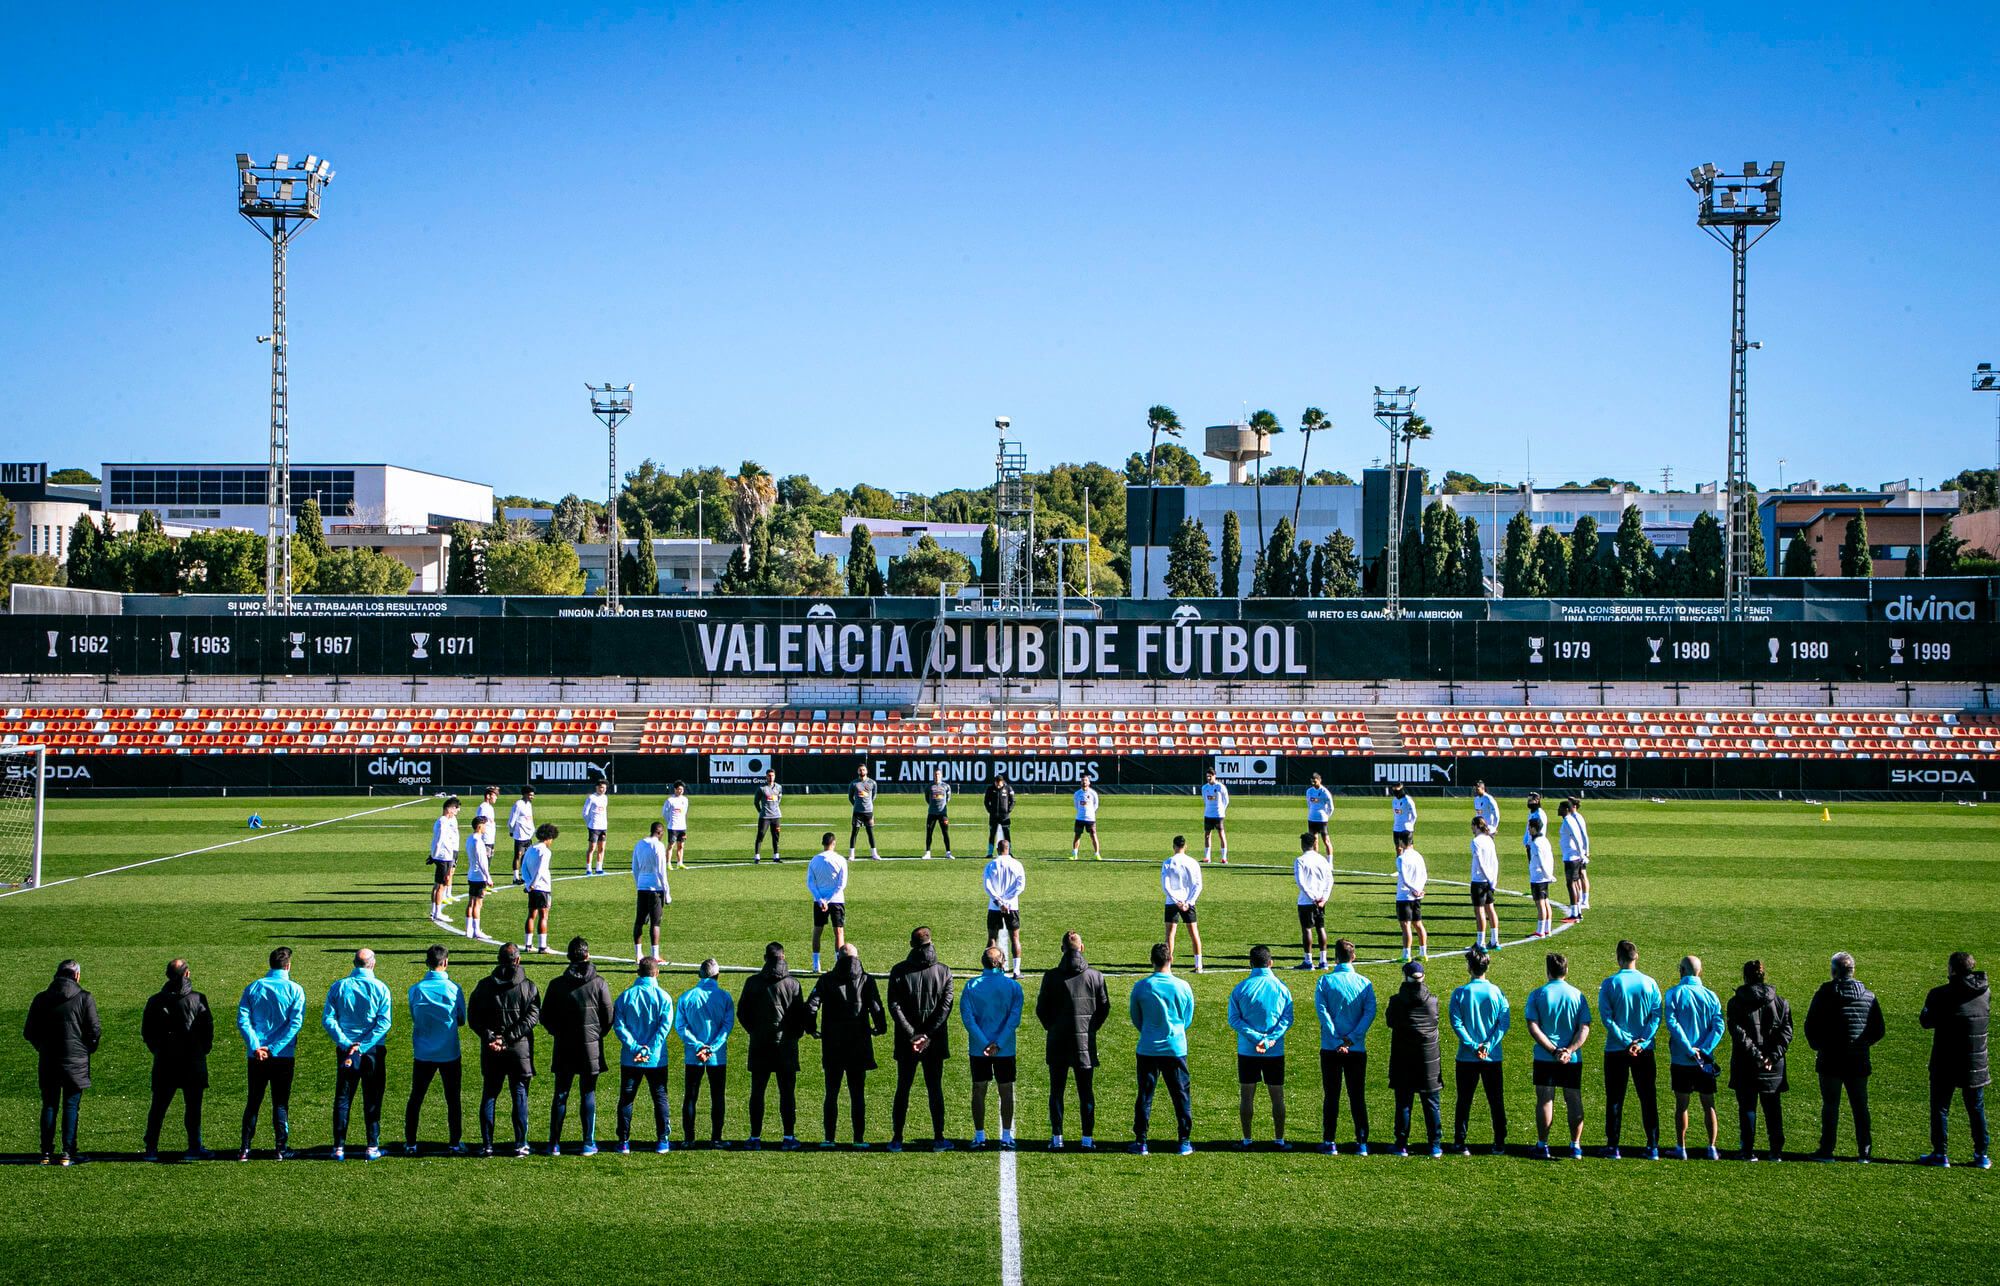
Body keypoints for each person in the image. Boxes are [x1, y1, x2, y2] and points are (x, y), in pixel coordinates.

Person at [1804, 950, 1885, 1162]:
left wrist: (1818, 1045)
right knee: (1860, 1107)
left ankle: (1826, 1150)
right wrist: (1863, 1045)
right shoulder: (1868, 996)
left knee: (1830, 1106)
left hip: (1830, 1059)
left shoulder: (1824, 993)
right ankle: (1864, 1152)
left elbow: (1811, 1025)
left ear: (1834, 971)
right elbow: (1878, 1029)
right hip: (1858, 1060)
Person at [1037, 930, 1110, 1151]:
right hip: (1084, 1043)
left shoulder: (1051, 976)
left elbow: (1041, 1009)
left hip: (1057, 1041)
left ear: (1062, 949)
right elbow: (1104, 1008)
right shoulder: (1095, 976)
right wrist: (1090, 1029)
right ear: (1082, 948)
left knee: (1056, 1092)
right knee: (1086, 1092)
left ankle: (1057, 1138)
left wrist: (1053, 1027)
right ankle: (1087, 1139)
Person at [541, 936, 614, 1156]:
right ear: (587, 955)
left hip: (564, 1045)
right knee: (588, 1092)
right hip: (590, 1046)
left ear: (568, 957)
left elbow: (545, 1016)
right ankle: (588, 1143)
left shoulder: (557, 984)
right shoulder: (599, 983)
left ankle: (554, 1143)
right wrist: (596, 1035)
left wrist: (558, 1032)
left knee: (561, 1093)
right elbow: (608, 1017)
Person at [807, 943, 886, 1147]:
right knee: (857, 1093)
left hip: (832, 1044)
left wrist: (811, 1028)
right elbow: (876, 1007)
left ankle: (829, 1138)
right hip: (858, 1043)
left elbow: (811, 1006)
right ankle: (858, 1139)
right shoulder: (866, 979)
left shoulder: (826, 979)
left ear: (838, 958)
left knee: (831, 1092)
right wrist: (880, 1028)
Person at [1917, 951, 1990, 1169]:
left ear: (1952, 969)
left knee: (1940, 1108)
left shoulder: (1940, 994)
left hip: (1945, 1060)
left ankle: (1940, 1154)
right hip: (1975, 1061)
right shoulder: (1984, 992)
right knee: (1976, 1109)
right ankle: (1981, 1155)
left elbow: (1926, 1021)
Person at [24, 959, 100, 1166]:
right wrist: (85, 1050)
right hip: (76, 1061)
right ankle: (68, 1152)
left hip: (49, 1060)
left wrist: (42, 1047)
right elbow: (94, 1030)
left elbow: (29, 1032)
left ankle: (46, 1152)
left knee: (49, 1105)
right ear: (76, 976)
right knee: (71, 1106)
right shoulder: (84, 998)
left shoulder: (41, 998)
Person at [469, 942, 540, 1157]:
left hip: (493, 1050)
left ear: (499, 960)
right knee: (519, 1094)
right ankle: (520, 1144)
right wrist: (508, 1038)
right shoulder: (528, 986)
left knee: (490, 1094)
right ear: (517, 960)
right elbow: (531, 1018)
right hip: (519, 1049)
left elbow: (474, 1017)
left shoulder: (484, 985)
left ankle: (487, 1145)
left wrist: (491, 1037)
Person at [888, 926, 955, 1151]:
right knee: (935, 1089)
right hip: (934, 1041)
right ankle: (938, 1138)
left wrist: (912, 1034)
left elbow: (894, 1006)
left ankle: (897, 1138)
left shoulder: (899, 971)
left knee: (903, 1088)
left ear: (911, 944)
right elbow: (945, 1008)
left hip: (907, 1042)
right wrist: (927, 1035)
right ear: (930, 942)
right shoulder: (944, 971)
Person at [322, 947, 393, 1161]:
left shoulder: (339, 986)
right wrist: (363, 1046)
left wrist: (347, 1043)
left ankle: (338, 1147)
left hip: (346, 1051)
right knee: (372, 1097)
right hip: (372, 1051)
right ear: (373, 963)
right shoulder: (381, 987)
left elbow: (328, 1019)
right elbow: (384, 1023)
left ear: (354, 963)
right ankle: (372, 1146)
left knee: (343, 1098)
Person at [141, 957, 214, 1162]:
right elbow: (207, 1029)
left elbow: (147, 1032)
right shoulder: (198, 999)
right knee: (193, 1107)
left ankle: (151, 1147)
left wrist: (158, 1050)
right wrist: (202, 1050)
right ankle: (194, 1147)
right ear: (187, 973)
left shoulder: (155, 1000)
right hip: (192, 1060)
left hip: (165, 1060)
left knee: (158, 1106)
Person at [237, 945, 305, 1161]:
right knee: (280, 1103)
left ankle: (245, 1148)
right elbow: (295, 1024)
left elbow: (243, 1020)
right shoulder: (295, 989)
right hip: (283, 1056)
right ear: (288, 966)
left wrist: (256, 1046)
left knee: (253, 1102)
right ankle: (280, 1149)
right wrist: (274, 1048)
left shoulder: (254, 987)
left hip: (256, 1056)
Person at [1597, 939, 1663, 1160]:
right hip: (1644, 1050)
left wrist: (1626, 1041)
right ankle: (1652, 1146)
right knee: (1648, 1097)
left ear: (1618, 958)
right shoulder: (1650, 983)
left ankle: (1613, 1146)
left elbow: (1607, 1018)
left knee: (1615, 1098)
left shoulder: (1610, 983)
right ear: (1637, 956)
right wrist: (1641, 1042)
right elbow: (1656, 1016)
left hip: (1616, 1049)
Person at [1130, 942, 1196, 1155]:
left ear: (1152, 961)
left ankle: (1141, 1141)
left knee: (1145, 1095)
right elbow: (1187, 1018)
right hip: (1175, 1047)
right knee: (1181, 1095)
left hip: (1148, 1048)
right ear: (1171, 959)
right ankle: (1184, 1141)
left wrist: (1149, 1031)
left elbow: (1136, 1017)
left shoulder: (1141, 986)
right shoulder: (1183, 986)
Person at [738, 942, 805, 1150]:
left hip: (760, 1043)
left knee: (758, 1092)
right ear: (783, 957)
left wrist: (754, 1031)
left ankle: (755, 1137)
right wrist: (793, 1035)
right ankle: (788, 1137)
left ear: (765, 958)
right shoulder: (793, 984)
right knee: (787, 1093)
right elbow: (800, 1016)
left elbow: (742, 1012)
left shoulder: (752, 982)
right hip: (786, 1045)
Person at [1525, 951, 1592, 1160]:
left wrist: (1553, 1051)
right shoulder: (1577, 995)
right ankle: (1575, 1146)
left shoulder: (1537, 994)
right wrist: (1569, 1051)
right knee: (1573, 1098)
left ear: (1548, 971)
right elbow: (1584, 1027)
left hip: (1545, 1057)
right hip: (1571, 1058)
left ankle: (1542, 1145)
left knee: (1545, 1100)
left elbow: (1533, 1027)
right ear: (1566, 970)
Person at [1228, 945, 1295, 1149]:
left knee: (1247, 1096)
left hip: (1248, 1051)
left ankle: (1247, 1140)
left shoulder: (1241, 988)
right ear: (1270, 963)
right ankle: (1279, 1140)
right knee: (1277, 1097)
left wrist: (1257, 1039)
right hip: (1274, 1051)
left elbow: (1234, 1019)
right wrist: (1269, 1040)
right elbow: (1287, 1019)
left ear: (1250, 963)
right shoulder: (1281, 988)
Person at [1726, 959, 1793, 1163]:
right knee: (1773, 1108)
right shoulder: (1780, 1002)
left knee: (1747, 1107)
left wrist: (1757, 1056)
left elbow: (1739, 1034)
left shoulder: (1736, 1002)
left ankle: (1747, 1150)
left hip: (1746, 1062)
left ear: (1745, 977)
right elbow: (1787, 1032)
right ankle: (1776, 1151)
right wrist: (1772, 1056)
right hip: (1773, 1066)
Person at [1314, 938, 1377, 1154]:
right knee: (1357, 1096)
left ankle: (1329, 1141)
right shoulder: (1364, 983)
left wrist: (1336, 1038)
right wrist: (1353, 1038)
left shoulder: (1324, 981)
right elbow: (1370, 1012)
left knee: (1331, 1095)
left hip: (1330, 1047)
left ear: (1335, 957)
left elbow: (1322, 1012)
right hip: (1356, 1048)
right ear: (1354, 957)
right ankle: (1362, 1142)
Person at [404, 944, 467, 1156]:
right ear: (446, 962)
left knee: (416, 1097)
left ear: (427, 963)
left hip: (423, 1052)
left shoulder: (416, 989)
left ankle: (410, 1143)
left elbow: (415, 1016)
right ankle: (454, 1143)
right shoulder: (454, 989)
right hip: (449, 1052)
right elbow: (461, 1019)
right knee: (453, 1099)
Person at [962, 946, 1025, 1149]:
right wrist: (998, 1043)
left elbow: (968, 1020)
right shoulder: (1013, 987)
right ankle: (1006, 1136)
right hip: (1005, 1049)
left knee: (978, 1089)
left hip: (979, 1049)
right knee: (1006, 1090)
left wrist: (984, 1043)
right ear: (1003, 962)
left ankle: (979, 1136)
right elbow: (1014, 1020)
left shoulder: (971, 986)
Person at [1663, 954, 1725, 1160]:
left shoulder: (1673, 993)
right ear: (1700, 971)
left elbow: (1673, 1024)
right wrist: (1704, 1049)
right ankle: (1712, 1147)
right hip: (1704, 1061)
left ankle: (1681, 1148)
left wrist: (1689, 1049)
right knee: (1709, 1104)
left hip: (1682, 1059)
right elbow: (1718, 1026)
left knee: (1682, 1105)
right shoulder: (1711, 995)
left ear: (1681, 971)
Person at [1449, 948, 1509, 1155]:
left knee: (1464, 1100)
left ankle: (1460, 1141)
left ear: (1469, 967)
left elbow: (1457, 1024)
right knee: (1496, 1100)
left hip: (1467, 1057)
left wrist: (1474, 1046)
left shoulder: (1460, 993)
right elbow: (1503, 1023)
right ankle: (1499, 1142)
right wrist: (1488, 1046)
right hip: (1493, 1057)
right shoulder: (1497, 992)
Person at [613, 957, 675, 1154]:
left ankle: (623, 1141)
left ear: (638, 972)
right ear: (657, 973)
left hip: (630, 1058)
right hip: (656, 1059)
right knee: (660, 1097)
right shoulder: (664, 997)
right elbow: (664, 1028)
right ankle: (662, 1140)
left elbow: (619, 1026)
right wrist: (649, 1049)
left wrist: (635, 1048)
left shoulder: (625, 997)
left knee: (627, 1098)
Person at [1386, 958, 1443, 1157]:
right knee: (1431, 1103)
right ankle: (1435, 1144)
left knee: (1403, 1103)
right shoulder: (1433, 1001)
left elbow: (1390, 1021)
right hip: (1429, 1058)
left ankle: (1401, 1144)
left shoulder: (1396, 1001)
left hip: (1403, 1058)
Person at [676, 958, 735, 1148]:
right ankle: (716, 1138)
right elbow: (727, 1027)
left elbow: (681, 1027)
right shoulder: (725, 997)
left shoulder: (686, 997)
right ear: (718, 975)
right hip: (717, 1056)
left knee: (690, 1096)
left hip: (693, 1055)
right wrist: (711, 1048)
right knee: (717, 1096)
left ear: (699, 975)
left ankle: (689, 1139)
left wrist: (698, 1046)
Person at [807, 831, 850, 973]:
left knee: (817, 930)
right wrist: (828, 899)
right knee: (839, 932)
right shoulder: (840, 860)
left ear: (822, 843)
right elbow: (841, 885)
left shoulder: (814, 860)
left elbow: (810, 883)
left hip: (819, 901)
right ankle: (839, 964)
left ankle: (816, 964)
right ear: (834, 843)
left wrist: (821, 899)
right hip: (836, 900)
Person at [1161, 835, 1205, 973]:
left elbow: (1166, 886)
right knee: (1194, 933)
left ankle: (1168, 966)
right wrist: (1189, 902)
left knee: (1170, 935)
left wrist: (1176, 901)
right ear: (1185, 846)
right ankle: (1199, 965)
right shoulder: (1193, 862)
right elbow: (1198, 885)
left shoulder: (1168, 862)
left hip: (1172, 902)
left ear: (1173, 846)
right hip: (1188, 902)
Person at [984, 840, 1027, 978]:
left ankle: (991, 970)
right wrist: (1007, 900)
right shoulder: (1017, 864)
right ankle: (1016, 971)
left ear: (997, 849)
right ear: (1009, 849)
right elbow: (1020, 886)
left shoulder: (991, 864)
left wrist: (999, 901)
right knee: (1015, 938)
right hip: (1012, 906)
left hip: (994, 906)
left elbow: (988, 886)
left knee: (992, 937)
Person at [631, 820, 671, 964]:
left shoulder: (639, 844)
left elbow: (634, 867)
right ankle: (655, 955)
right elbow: (661, 871)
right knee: (655, 922)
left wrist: (639, 883)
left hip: (642, 886)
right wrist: (667, 891)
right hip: (655, 888)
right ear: (660, 832)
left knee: (639, 921)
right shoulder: (658, 846)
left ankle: (638, 954)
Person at [1293, 831, 1333, 971]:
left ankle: (1308, 961)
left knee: (1307, 929)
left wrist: (1312, 897)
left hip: (1306, 901)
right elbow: (1330, 880)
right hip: (1321, 900)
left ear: (1303, 844)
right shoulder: (1322, 859)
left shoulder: (1300, 860)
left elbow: (1301, 882)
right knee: (1320, 927)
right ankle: (1323, 961)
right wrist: (1324, 898)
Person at [521, 822, 558, 954]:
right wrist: (533, 883)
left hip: (532, 888)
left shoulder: (531, 849)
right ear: (549, 837)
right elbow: (541, 870)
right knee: (544, 916)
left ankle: (528, 945)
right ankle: (542, 946)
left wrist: (528, 884)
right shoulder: (545, 851)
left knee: (531, 915)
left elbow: (523, 867)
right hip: (542, 887)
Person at [462, 811, 496, 942]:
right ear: (479, 826)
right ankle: (476, 930)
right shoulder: (478, 841)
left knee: (471, 902)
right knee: (478, 903)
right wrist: (488, 877)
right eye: (484, 825)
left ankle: (468, 929)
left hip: (471, 874)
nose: (486, 827)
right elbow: (482, 861)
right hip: (479, 876)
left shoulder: (470, 839)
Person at [1468, 817, 1501, 952]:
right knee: (1490, 909)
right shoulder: (1489, 840)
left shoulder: (1476, 841)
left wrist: (1487, 878)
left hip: (1479, 881)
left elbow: (1481, 863)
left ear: (1476, 826)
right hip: (1489, 881)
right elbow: (1495, 861)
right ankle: (1495, 940)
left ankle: (1480, 942)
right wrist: (1493, 880)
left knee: (1480, 911)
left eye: (1472, 825)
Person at [1394, 833, 1428, 963]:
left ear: (1402, 842)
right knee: (1418, 924)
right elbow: (1424, 875)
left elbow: (1405, 879)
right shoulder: (1418, 856)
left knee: (1406, 925)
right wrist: (1419, 890)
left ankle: (1406, 954)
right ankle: (1423, 952)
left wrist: (1414, 890)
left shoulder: (1401, 858)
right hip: (1416, 896)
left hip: (1404, 896)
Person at [428, 795, 460, 923]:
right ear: (449, 809)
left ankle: (434, 911)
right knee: (440, 885)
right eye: (455, 808)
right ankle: (437, 912)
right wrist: (434, 855)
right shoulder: (443, 821)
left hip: (443, 855)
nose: (457, 811)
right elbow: (439, 840)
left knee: (438, 885)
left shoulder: (444, 821)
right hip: (443, 857)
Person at [1526, 816, 1558, 939]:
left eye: (1529, 827)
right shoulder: (1545, 840)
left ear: (1533, 828)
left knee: (1540, 904)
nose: (1528, 830)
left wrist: (1547, 874)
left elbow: (1540, 860)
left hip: (1538, 877)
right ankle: (1547, 929)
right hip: (1544, 876)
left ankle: (1540, 931)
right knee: (1546, 902)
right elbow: (1550, 858)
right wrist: (1550, 874)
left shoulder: (1535, 843)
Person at [1556, 799, 1587, 922]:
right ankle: (1577, 911)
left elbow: (1576, 838)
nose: (1558, 810)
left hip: (1571, 858)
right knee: (1574, 883)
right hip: (1573, 857)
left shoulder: (1568, 821)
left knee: (1571, 884)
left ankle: (1574, 914)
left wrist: (1581, 854)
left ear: (1566, 809)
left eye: (1560, 808)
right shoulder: (1570, 820)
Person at [847, 763, 880, 860]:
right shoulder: (854, 783)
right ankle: (851, 855)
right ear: (858, 771)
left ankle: (874, 854)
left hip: (868, 812)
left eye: (863, 769)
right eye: (860, 770)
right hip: (857, 812)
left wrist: (868, 804)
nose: (862, 771)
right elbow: (850, 797)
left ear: (867, 771)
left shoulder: (872, 783)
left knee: (870, 833)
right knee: (854, 833)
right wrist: (856, 804)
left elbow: (873, 796)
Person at [1566, 795, 1593, 911]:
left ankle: (1585, 901)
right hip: (1575, 851)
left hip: (1580, 851)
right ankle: (1579, 899)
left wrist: (1586, 851)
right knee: (1576, 876)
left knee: (1582, 874)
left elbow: (1584, 835)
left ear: (1574, 806)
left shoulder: (1578, 817)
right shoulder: (1570, 817)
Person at [1198, 768, 1230, 864]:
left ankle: (1224, 858)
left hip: (1218, 815)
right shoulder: (1204, 788)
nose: (1208, 778)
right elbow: (1205, 800)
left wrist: (1222, 810)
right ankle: (1207, 857)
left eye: (1210, 776)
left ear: (1214, 776)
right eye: (1207, 776)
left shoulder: (1220, 787)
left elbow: (1226, 800)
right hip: (1208, 814)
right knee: (1207, 835)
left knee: (1221, 834)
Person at [753, 768, 784, 864]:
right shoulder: (762, 788)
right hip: (765, 817)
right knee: (760, 835)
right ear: (766, 777)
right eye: (769, 776)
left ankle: (776, 856)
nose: (771, 777)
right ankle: (757, 857)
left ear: (775, 776)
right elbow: (756, 802)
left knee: (776, 836)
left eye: (772, 775)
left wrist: (775, 808)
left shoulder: (778, 787)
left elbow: (779, 799)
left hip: (776, 816)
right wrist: (760, 811)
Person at [581, 780, 611, 876]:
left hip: (603, 827)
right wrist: (589, 823)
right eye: (601, 787)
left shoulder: (605, 798)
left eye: (604, 788)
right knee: (592, 848)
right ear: (597, 787)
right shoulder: (591, 798)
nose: (603, 789)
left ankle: (599, 868)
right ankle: (588, 869)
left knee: (601, 848)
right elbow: (585, 813)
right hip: (594, 827)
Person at [923, 769, 954, 860]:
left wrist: (942, 805)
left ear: (941, 775)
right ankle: (928, 852)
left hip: (942, 813)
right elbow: (927, 798)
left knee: (945, 833)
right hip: (932, 813)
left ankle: (948, 852)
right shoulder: (929, 786)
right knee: (929, 833)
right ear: (933, 775)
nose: (937, 776)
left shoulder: (946, 786)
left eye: (938, 774)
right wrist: (932, 805)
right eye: (935, 774)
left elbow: (948, 798)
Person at [508, 786, 536, 882]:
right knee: (518, 855)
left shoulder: (529, 804)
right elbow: (512, 819)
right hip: (520, 835)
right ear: (525, 794)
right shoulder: (518, 804)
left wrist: (533, 830)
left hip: (528, 835)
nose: (532, 797)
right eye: (530, 795)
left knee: (526, 857)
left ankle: (524, 876)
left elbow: (530, 819)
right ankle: (515, 877)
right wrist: (511, 831)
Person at [984, 771, 1015, 857]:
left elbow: (1013, 801)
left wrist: (1008, 810)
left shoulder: (1008, 788)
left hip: (1004, 817)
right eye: (996, 784)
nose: (998, 786)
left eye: (999, 784)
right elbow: (986, 801)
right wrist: (990, 811)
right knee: (992, 834)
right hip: (993, 817)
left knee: (1007, 835)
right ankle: (990, 852)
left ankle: (1009, 852)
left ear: (1002, 782)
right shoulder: (990, 789)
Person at [1071, 775, 1102, 860]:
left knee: (1093, 836)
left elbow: (1096, 805)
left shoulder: (1093, 793)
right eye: (1082, 780)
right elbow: (1076, 805)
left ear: (1089, 782)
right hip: (1079, 818)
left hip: (1090, 819)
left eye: (1086, 780)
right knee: (1077, 836)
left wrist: (1090, 812)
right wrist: (1081, 812)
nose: (1084, 782)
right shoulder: (1077, 793)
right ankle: (1075, 854)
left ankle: (1097, 854)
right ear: (1080, 782)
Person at [662, 781, 691, 870]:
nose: (680, 791)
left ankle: (680, 863)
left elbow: (685, 812)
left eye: (682, 789)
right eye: (678, 789)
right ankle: (668, 864)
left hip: (682, 827)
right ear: (675, 789)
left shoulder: (685, 800)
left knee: (681, 845)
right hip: (673, 827)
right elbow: (664, 813)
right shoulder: (670, 800)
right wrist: (670, 821)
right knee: (671, 845)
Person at [1304, 772, 1334, 856]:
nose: (1313, 783)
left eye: (1315, 781)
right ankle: (1315, 859)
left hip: (1322, 820)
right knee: (1314, 841)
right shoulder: (1309, 791)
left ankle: (1330, 861)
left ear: (1319, 780)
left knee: (1326, 841)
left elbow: (1331, 807)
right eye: (1312, 781)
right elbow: (1309, 804)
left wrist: (1326, 816)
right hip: (1311, 819)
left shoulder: (1325, 792)